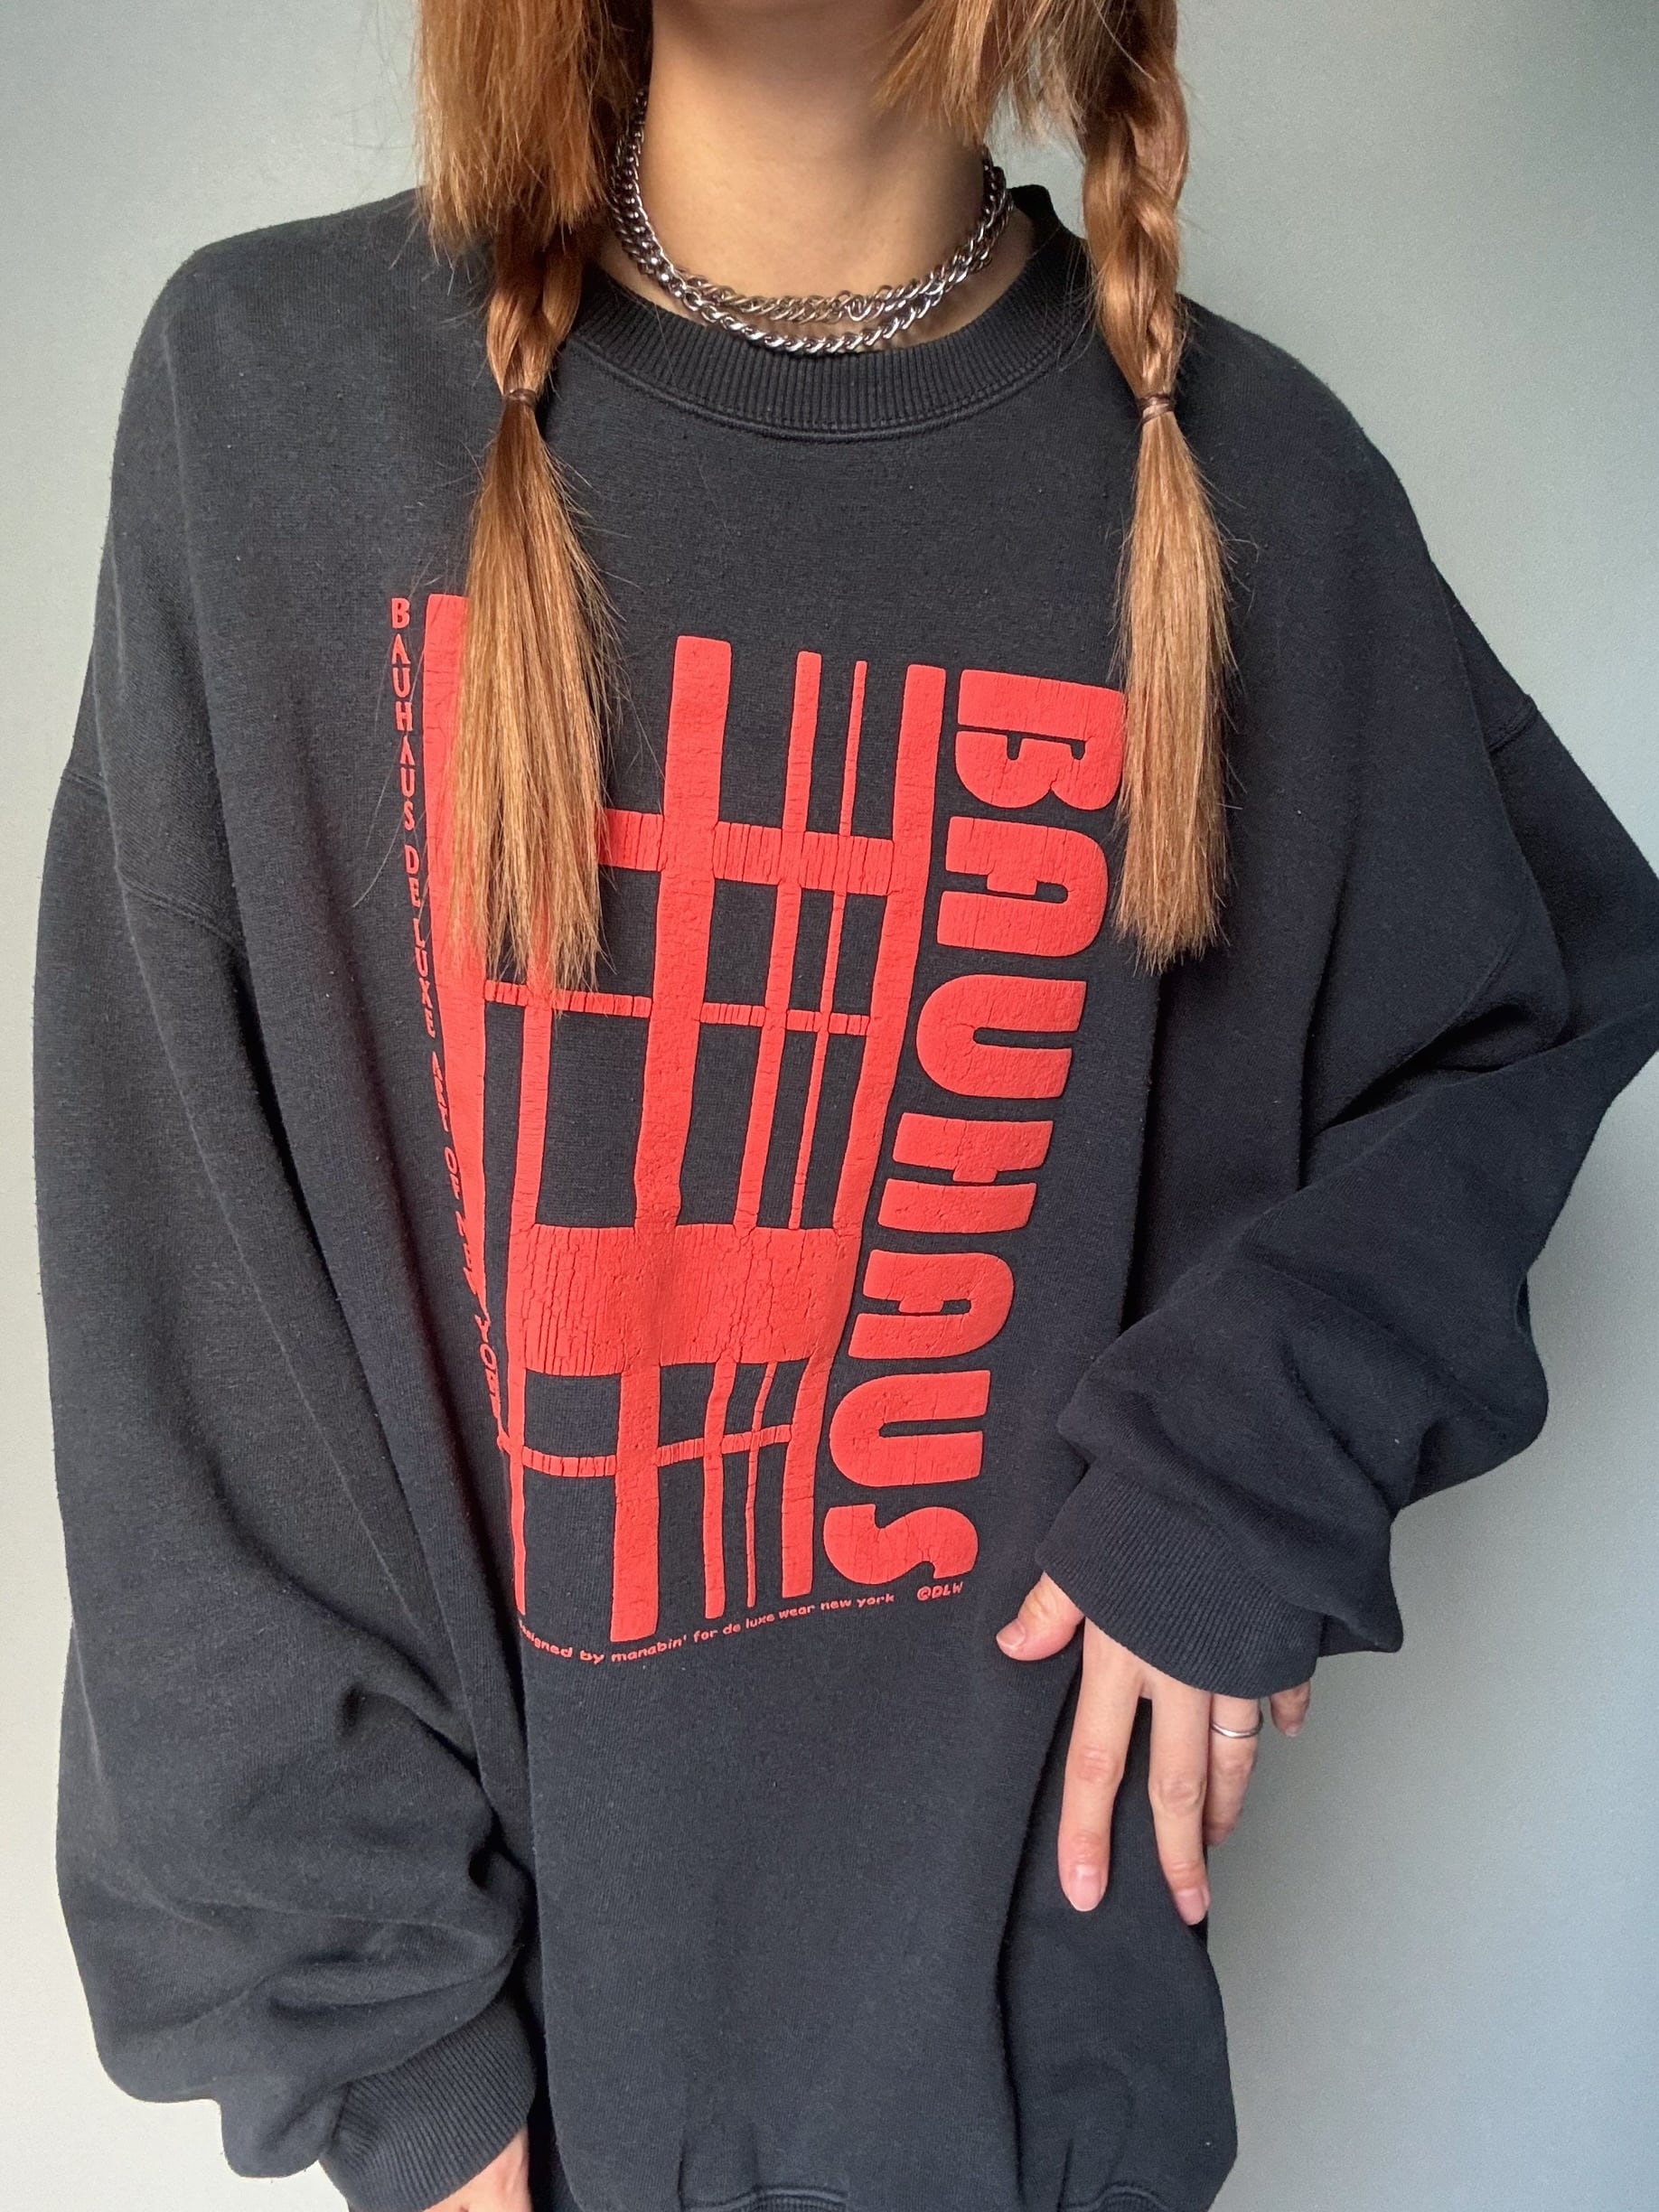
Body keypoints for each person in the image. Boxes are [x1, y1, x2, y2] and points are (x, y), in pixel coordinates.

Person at [32, 4, 1659, 2210]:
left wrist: (1244, 1463)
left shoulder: (1252, 486)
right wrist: (399, 2070)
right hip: (511, 2139)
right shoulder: (277, 409)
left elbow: (1543, 991)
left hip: (1040, 2118)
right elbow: (192, 1337)